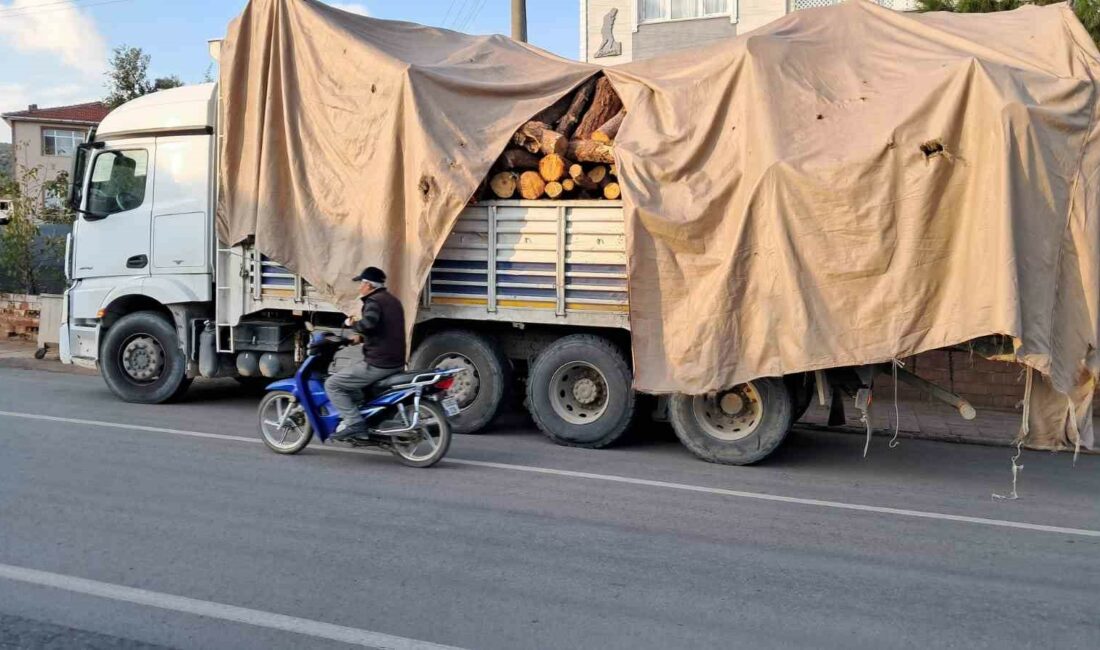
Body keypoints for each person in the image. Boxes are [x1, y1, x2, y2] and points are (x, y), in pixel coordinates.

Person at [325, 266, 407, 440]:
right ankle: (366, 417)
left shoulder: (374, 301)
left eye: (361, 283)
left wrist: (351, 325)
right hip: (395, 360)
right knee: (354, 380)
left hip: (379, 362)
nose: (359, 287)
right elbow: (383, 329)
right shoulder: (392, 300)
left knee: (333, 384)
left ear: (369, 285)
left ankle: (354, 423)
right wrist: (359, 338)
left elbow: (369, 323)